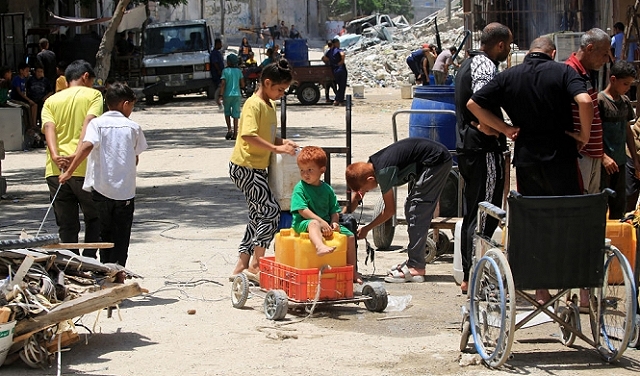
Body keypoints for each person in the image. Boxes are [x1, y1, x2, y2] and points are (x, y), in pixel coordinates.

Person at [467, 37, 593, 304]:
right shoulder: (563, 71)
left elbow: (473, 105)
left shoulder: (509, 76)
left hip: (527, 161)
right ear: (553, 52)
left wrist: (505, 129)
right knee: (572, 221)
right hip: (561, 158)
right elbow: (584, 100)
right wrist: (583, 133)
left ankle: (541, 290)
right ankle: (582, 290)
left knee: (536, 222)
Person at [58, 82, 147, 267]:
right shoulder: (133, 127)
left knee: (104, 233)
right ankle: (119, 271)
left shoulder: (96, 124)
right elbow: (136, 155)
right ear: (125, 104)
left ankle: (105, 269)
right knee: (122, 235)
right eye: (132, 105)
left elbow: (87, 146)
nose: (131, 109)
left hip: (101, 191)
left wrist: (69, 172)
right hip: (125, 193)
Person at [454, 22, 512, 295]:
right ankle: (477, 274)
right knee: (486, 212)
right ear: (499, 45)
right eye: (508, 47)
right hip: (483, 149)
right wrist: (500, 128)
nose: (508, 52)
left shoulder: (467, 63)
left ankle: (470, 275)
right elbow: (479, 102)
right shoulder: (484, 66)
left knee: (474, 211)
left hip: (470, 148)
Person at [345, 138, 453, 283]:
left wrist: (367, 228)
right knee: (412, 207)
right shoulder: (370, 166)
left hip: (436, 162)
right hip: (431, 159)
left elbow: (390, 211)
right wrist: (342, 216)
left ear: (370, 179)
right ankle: (414, 261)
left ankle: (416, 266)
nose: (363, 193)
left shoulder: (383, 172)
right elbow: (358, 195)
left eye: (364, 189)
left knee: (416, 209)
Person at [228, 59, 298, 281]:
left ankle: (241, 264)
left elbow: (264, 135)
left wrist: (282, 141)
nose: (281, 94)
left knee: (257, 215)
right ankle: (256, 264)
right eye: (279, 89)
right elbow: (248, 135)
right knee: (270, 212)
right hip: (246, 167)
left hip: (258, 168)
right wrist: (277, 147)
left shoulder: (270, 105)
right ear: (266, 83)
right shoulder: (253, 104)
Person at [41, 59, 103, 258]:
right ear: (86, 76)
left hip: (55, 171)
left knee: (67, 225)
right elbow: (89, 124)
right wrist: (77, 155)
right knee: (95, 218)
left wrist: (55, 155)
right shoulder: (94, 95)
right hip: (84, 169)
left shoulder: (51, 101)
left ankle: (71, 264)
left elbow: (48, 128)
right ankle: (90, 261)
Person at [291, 146, 361, 283]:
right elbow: (302, 211)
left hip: (325, 224)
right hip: (303, 223)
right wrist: (321, 222)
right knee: (314, 223)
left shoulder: (327, 189)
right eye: (302, 170)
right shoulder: (300, 188)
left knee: (350, 236)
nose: (305, 174)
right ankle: (319, 246)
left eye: (310, 170)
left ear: (322, 170)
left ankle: (352, 271)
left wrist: (334, 223)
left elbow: (334, 210)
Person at [565, 28, 612, 196]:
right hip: (582, 153)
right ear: (590, 48)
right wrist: (583, 137)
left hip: (592, 153)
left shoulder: (586, 73)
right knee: (581, 201)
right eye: (604, 54)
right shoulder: (570, 72)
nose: (606, 60)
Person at [598, 60, 639, 219]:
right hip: (604, 165)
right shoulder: (600, 101)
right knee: (601, 203)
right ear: (613, 80)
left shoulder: (625, 102)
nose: (628, 88)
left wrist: (634, 159)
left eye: (630, 85)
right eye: (625, 84)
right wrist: (603, 156)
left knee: (619, 205)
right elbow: (594, 133)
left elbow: (627, 131)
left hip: (621, 162)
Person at [217, 54, 244, 140]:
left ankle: (229, 129)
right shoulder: (239, 71)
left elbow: (223, 84)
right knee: (236, 114)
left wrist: (220, 95)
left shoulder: (225, 71)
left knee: (227, 112)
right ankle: (236, 133)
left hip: (227, 95)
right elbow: (242, 84)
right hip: (237, 95)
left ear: (229, 62)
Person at [10, 62, 38, 130]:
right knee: (27, 107)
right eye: (26, 71)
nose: (28, 73)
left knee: (34, 105)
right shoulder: (17, 79)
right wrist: (28, 100)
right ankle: (29, 125)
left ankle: (33, 124)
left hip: (22, 98)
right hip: (16, 98)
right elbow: (19, 92)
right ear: (21, 71)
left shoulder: (24, 79)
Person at [25, 65, 53, 132]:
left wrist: (45, 97)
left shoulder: (45, 80)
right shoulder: (30, 80)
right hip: (32, 100)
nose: (39, 73)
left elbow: (51, 91)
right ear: (35, 72)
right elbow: (26, 90)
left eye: (41, 71)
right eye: (38, 71)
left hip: (42, 100)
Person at [323, 38, 347, 106]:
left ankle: (338, 100)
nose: (339, 44)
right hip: (341, 69)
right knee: (342, 86)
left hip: (334, 70)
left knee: (339, 85)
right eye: (338, 43)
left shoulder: (329, 51)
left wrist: (329, 62)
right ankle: (338, 100)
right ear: (335, 44)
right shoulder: (338, 50)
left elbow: (324, 58)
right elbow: (342, 54)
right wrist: (341, 62)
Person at [209, 38, 224, 106]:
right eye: (220, 44)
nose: (221, 45)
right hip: (217, 74)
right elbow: (215, 63)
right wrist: (219, 70)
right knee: (219, 87)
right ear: (217, 44)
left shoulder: (218, 52)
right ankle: (218, 101)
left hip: (220, 72)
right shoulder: (214, 53)